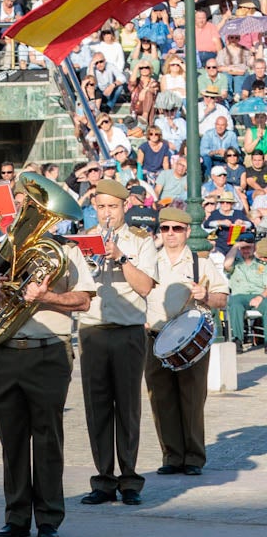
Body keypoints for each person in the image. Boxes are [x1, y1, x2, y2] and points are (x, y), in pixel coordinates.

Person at [0, 176, 95, 537]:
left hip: (48, 349)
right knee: (11, 439)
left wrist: (46, 297)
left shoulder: (67, 251)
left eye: (31, 205)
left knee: (47, 436)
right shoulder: (6, 248)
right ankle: (16, 516)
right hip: (6, 351)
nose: (25, 210)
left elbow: (83, 300)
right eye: (23, 203)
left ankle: (49, 517)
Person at [76, 180, 158, 506]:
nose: (107, 213)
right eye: (101, 207)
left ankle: (130, 480)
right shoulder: (83, 241)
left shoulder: (141, 241)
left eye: (113, 207)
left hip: (128, 330)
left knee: (127, 406)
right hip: (93, 329)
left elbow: (146, 287)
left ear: (124, 206)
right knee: (96, 408)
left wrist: (121, 257)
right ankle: (103, 480)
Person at [144, 208, 229, 475]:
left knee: (192, 399)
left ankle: (193, 457)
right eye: (165, 228)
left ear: (187, 232)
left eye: (177, 229)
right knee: (160, 399)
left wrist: (205, 295)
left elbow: (222, 298)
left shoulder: (200, 264)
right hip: (155, 339)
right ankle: (171, 456)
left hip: (191, 342)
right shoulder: (150, 262)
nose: (170, 234)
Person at [224, 233, 265, 348]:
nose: (246, 250)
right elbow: (226, 264)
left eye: (249, 247)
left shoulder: (261, 264)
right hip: (239, 296)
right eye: (243, 248)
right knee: (235, 305)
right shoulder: (235, 263)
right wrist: (235, 246)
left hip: (259, 295)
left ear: (254, 247)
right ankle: (238, 340)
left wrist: (260, 297)